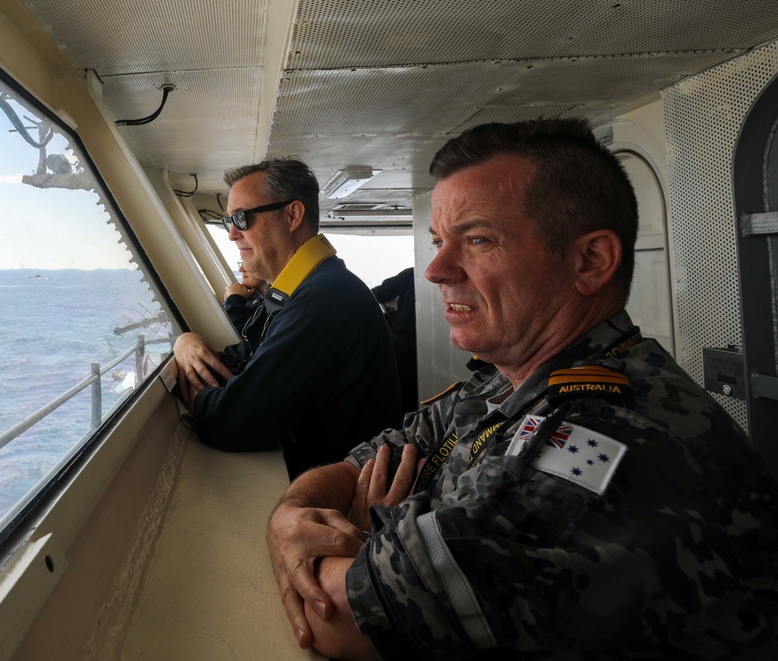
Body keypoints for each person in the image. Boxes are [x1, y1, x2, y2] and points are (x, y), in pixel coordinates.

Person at [265, 119, 778, 659]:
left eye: (479, 240)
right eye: (440, 241)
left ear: (590, 261)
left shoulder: (613, 430)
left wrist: (347, 540)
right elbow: (373, 459)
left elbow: (343, 616)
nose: (436, 270)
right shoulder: (503, 379)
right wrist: (292, 516)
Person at [174, 157, 401, 480]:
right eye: (229, 222)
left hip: (342, 501)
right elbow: (251, 357)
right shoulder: (308, 289)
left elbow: (231, 422)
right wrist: (186, 343)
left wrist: (196, 396)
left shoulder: (322, 301)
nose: (232, 234)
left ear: (293, 215)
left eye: (242, 218)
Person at [371, 266, 418, 414]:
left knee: (403, 389)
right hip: (433, 344)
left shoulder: (412, 274)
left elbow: (378, 294)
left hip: (406, 342)